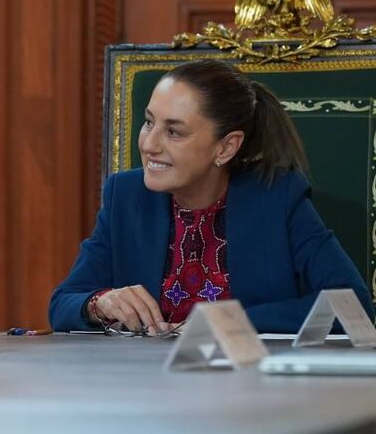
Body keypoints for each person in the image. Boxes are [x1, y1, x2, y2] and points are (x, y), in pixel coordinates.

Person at [49, 59, 373, 335]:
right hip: (147, 390)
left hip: (251, 392)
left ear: (226, 147)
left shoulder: (277, 197)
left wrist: (228, 323)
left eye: (174, 132)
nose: (149, 144)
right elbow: (63, 303)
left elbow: (352, 306)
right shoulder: (126, 196)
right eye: (149, 122)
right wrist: (99, 303)